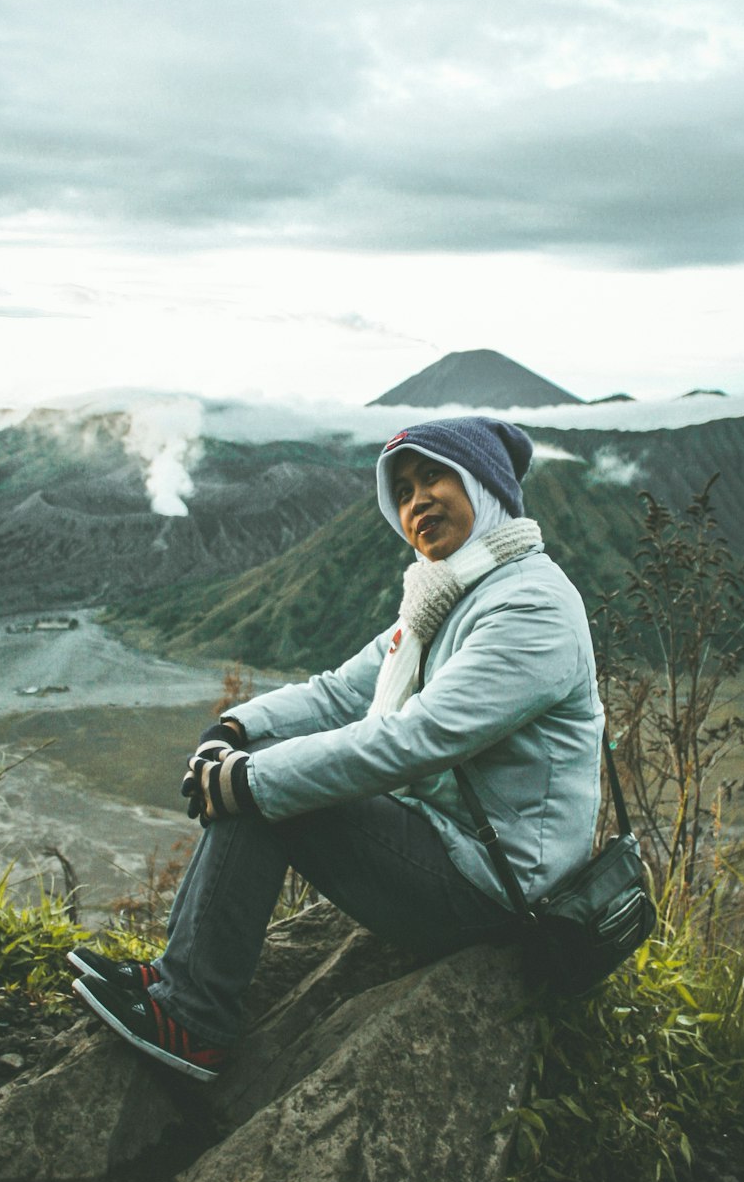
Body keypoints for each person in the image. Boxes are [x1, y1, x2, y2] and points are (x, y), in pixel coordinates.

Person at [69, 416, 605, 1080]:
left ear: (486, 483)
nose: (417, 500)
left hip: (499, 887)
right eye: (403, 490)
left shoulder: (531, 604)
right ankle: (174, 979)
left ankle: (194, 1018)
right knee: (258, 779)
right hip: (450, 843)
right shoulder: (446, 595)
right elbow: (338, 694)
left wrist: (252, 779)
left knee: (270, 798)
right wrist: (234, 730)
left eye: (435, 475)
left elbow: (418, 737)